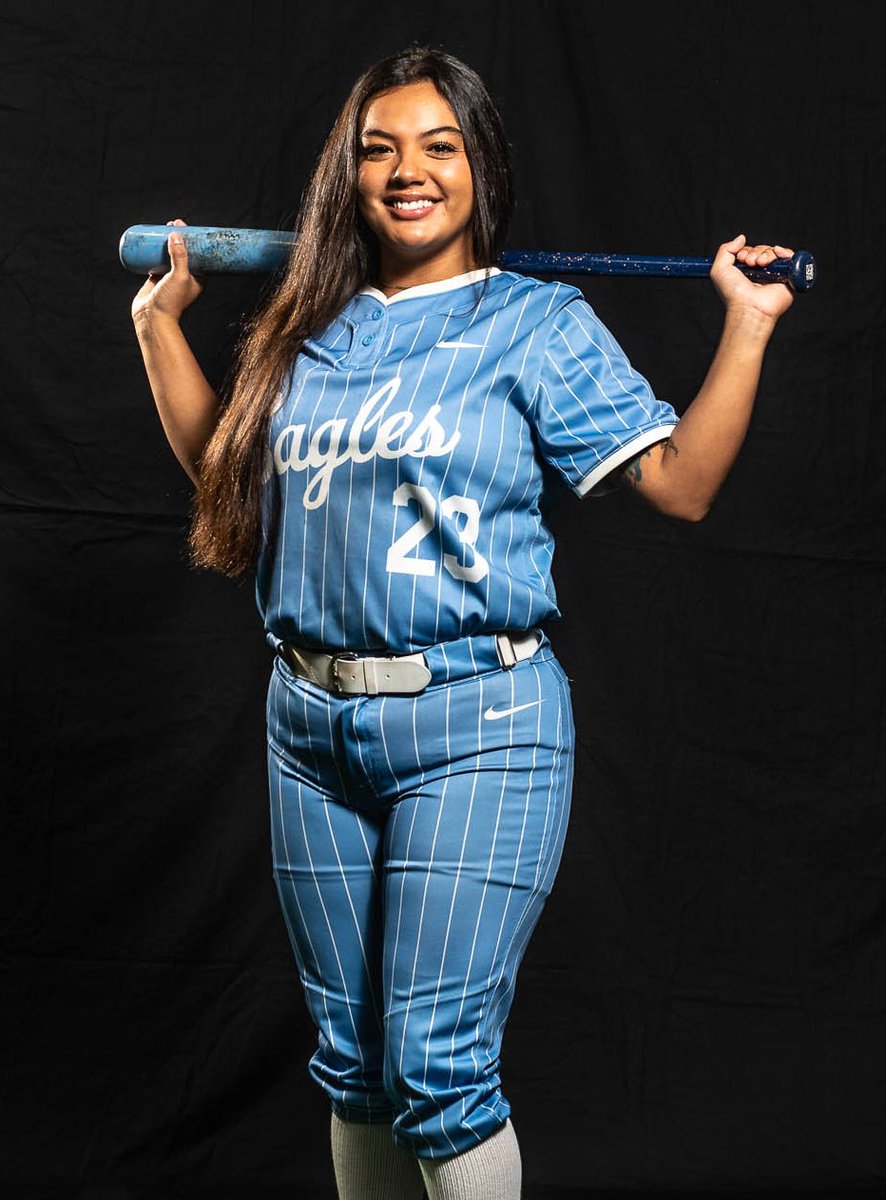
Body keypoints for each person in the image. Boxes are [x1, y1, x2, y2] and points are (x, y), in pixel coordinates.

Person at [131, 45, 795, 1200]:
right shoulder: (306, 324)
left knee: (436, 1069)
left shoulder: (535, 322)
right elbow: (232, 487)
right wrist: (158, 329)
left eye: (439, 147)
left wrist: (746, 323)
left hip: (476, 725)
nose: (407, 172)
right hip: (306, 729)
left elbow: (681, 484)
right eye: (378, 149)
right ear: (346, 175)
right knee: (355, 1067)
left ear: (480, 167)